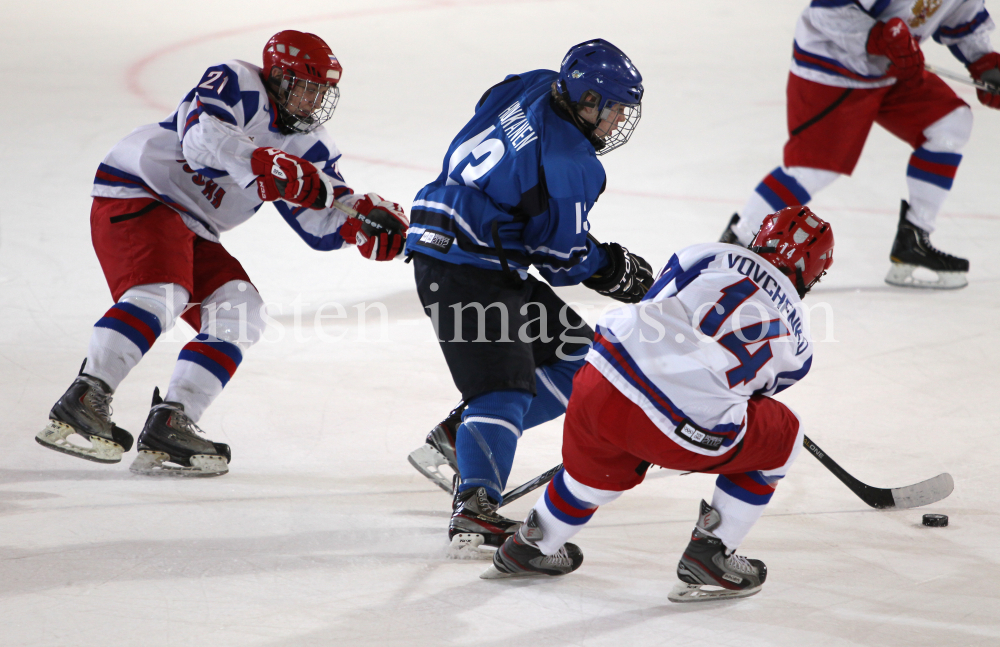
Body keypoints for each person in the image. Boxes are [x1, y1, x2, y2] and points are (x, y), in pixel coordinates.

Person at [36, 30, 408, 477]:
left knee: (241, 312)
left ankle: (173, 419)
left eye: (321, 92)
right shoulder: (236, 80)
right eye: (305, 88)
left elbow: (319, 222)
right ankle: (86, 394)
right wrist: (264, 162)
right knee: (164, 291)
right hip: (139, 190)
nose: (312, 102)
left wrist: (357, 225)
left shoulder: (312, 147)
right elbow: (201, 138)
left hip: (194, 228)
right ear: (278, 77)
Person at [485, 206, 833, 603]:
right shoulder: (801, 342)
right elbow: (749, 399)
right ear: (813, 270)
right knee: (784, 436)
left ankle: (534, 543)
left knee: (595, 470)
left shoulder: (705, 254)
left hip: (602, 376)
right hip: (675, 422)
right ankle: (713, 552)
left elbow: (652, 305)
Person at [403, 39, 654, 554]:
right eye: (613, 111)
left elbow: (487, 106)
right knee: (504, 386)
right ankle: (473, 508)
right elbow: (559, 258)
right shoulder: (571, 164)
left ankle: (459, 439)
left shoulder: (537, 82)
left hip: (473, 250)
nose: (616, 124)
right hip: (463, 264)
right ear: (587, 100)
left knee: (577, 357)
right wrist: (611, 268)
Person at [719, 1, 1000, 289]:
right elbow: (827, 10)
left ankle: (913, 240)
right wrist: (879, 38)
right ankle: (737, 247)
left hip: (892, 68)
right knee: (812, 170)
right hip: (832, 64)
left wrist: (984, 63)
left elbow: (961, 14)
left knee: (951, 123)